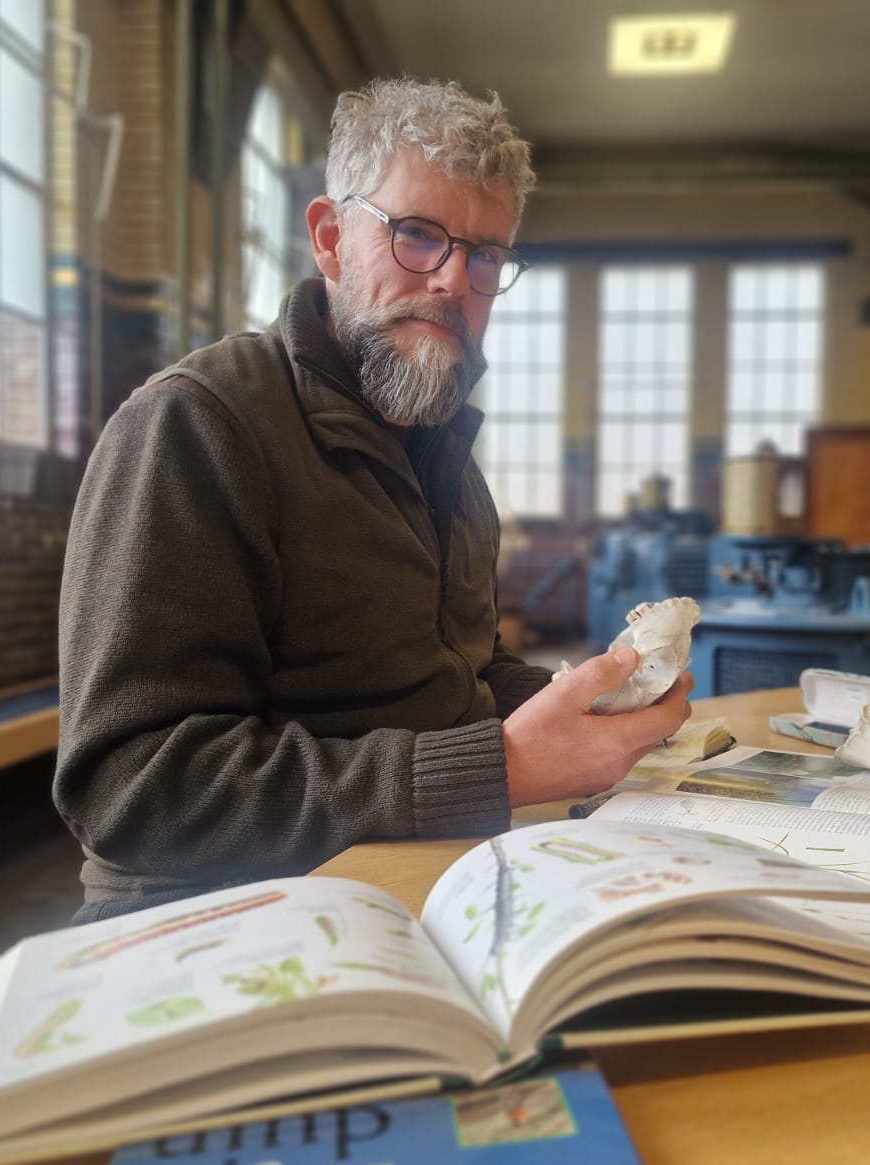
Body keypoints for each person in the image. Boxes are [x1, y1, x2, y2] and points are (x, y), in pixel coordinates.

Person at [53, 79, 690, 923]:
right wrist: (500, 766)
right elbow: (133, 789)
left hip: (417, 873)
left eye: (487, 255)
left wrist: (599, 707)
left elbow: (453, 671)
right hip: (217, 916)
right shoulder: (196, 426)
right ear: (329, 237)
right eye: (418, 236)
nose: (453, 281)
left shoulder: (448, 455)